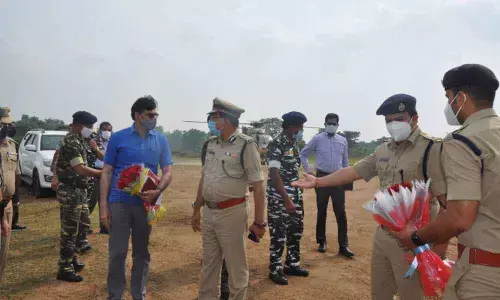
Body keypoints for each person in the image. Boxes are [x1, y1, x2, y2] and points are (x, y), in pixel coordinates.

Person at [292, 94, 448, 300]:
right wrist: (319, 182)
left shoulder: (432, 149)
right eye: (388, 120)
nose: (393, 124)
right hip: (384, 235)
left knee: (412, 295)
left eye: (399, 119)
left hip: (416, 239)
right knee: (380, 293)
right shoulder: (383, 149)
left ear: (414, 118)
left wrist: (437, 253)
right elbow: (353, 171)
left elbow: (447, 204)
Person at [394, 64, 500, 299]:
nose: (448, 105)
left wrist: (415, 237)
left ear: (460, 98)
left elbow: (460, 217)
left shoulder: (463, 140)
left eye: (448, 98)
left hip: (486, 274)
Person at [192, 97, 266, 300]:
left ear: (225, 119)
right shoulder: (211, 144)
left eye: (213, 117)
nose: (210, 121)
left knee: (236, 267)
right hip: (209, 212)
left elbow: (259, 188)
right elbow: (204, 178)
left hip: (232, 213)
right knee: (208, 265)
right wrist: (196, 209)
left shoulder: (246, 145)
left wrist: (259, 222)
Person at [100, 96, 174, 300]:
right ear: (137, 116)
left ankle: (138, 294)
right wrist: (104, 208)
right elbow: (106, 172)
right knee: (117, 252)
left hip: (146, 205)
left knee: (142, 253)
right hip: (119, 202)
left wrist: (158, 191)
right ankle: (114, 295)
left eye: (156, 114)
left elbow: (167, 171)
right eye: (151, 115)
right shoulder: (119, 138)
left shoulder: (160, 139)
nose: (154, 118)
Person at [55, 111, 101, 282]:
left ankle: (72, 259)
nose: (91, 130)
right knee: (69, 230)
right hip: (70, 192)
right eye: (90, 127)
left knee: (81, 227)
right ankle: (64, 267)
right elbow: (80, 169)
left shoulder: (80, 140)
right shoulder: (71, 142)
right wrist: (102, 173)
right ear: (81, 126)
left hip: (79, 191)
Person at [299, 113, 354, 256]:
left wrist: (347, 178)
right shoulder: (317, 139)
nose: (331, 125)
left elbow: (346, 161)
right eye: (329, 123)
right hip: (321, 178)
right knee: (321, 210)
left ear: (338, 125)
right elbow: (303, 154)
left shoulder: (342, 140)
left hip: (338, 178)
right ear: (325, 125)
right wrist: (309, 171)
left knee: (340, 212)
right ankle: (321, 241)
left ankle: (343, 245)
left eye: (334, 123)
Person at [267, 111, 309, 285]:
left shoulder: (294, 143)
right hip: (279, 198)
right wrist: (286, 199)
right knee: (279, 234)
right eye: (299, 127)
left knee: (295, 231)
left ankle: (292, 264)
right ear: (290, 127)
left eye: (301, 127)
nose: (301, 130)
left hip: (294, 195)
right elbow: (274, 173)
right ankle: (275, 269)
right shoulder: (277, 143)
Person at [75, 128, 105, 252]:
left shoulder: (94, 140)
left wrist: (95, 148)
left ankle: (81, 240)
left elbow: (103, 157)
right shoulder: (73, 142)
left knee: (85, 212)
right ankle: (75, 240)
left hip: (89, 181)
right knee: (77, 213)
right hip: (76, 182)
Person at [0, 107, 21, 282]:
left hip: (7, 204)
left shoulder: (12, 145)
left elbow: (15, 174)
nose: (7, 128)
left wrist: (15, 199)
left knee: (3, 252)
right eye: (3, 124)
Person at [89, 121, 112, 234]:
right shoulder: (93, 141)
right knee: (91, 200)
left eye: (109, 130)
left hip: (107, 173)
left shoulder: (112, 142)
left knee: (105, 201)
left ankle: (104, 226)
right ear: (100, 130)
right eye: (105, 129)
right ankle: (84, 225)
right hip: (95, 172)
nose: (107, 132)